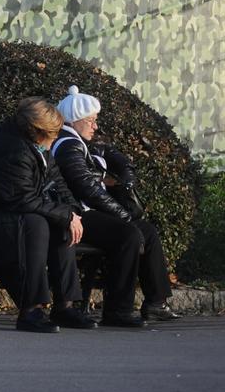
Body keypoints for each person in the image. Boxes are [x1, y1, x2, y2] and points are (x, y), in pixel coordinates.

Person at [0, 97, 97, 333]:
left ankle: (66, 306)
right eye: (53, 134)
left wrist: (72, 213)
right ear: (36, 131)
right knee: (36, 224)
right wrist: (65, 215)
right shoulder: (11, 149)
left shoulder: (36, 146)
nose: (56, 139)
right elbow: (20, 198)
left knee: (60, 223)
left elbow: (58, 183)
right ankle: (31, 310)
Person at [53, 85, 181, 327]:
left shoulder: (76, 141)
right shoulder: (68, 146)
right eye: (91, 120)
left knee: (147, 231)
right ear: (76, 120)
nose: (95, 125)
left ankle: (156, 302)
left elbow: (106, 151)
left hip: (86, 211)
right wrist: (122, 215)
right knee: (128, 234)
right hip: (77, 213)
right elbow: (86, 190)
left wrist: (126, 172)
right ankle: (118, 310)